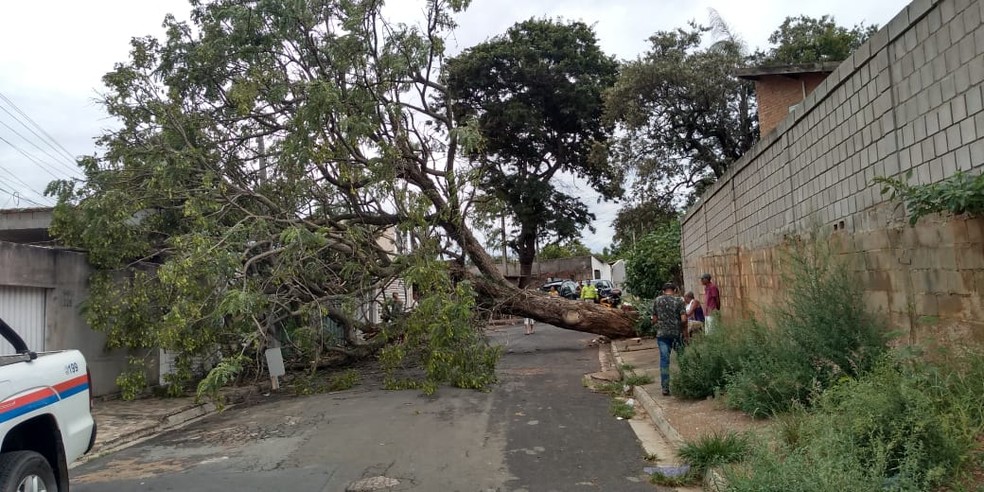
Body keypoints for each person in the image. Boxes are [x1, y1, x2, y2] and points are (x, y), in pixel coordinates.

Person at [651, 282, 687, 396]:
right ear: (675, 290)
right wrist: (685, 333)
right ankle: (686, 382)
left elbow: (654, 319)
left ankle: (665, 388)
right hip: (677, 335)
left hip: (662, 336)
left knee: (664, 361)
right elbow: (684, 319)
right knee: (682, 359)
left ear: (663, 291)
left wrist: (656, 324)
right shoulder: (679, 301)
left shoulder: (657, 301)